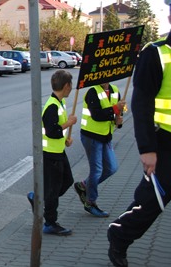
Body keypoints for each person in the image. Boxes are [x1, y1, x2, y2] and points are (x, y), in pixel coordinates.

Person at [107, 0, 171, 267]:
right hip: (165, 144)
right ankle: (119, 236)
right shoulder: (156, 52)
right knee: (151, 202)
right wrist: (147, 149)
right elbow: (141, 103)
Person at [27, 69, 77, 235]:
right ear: (66, 86)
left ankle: (38, 197)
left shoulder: (59, 103)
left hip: (58, 150)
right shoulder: (52, 106)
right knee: (54, 190)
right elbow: (51, 131)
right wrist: (69, 123)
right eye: (71, 85)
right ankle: (50, 222)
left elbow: (57, 132)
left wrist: (65, 139)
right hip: (50, 154)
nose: (72, 88)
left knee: (66, 181)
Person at [73, 82, 126, 217]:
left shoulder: (115, 90)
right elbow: (97, 115)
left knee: (112, 168)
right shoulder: (92, 92)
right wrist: (115, 108)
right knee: (96, 170)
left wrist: (119, 122)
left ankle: (84, 185)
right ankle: (90, 202)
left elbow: (119, 112)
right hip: (91, 136)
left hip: (106, 136)